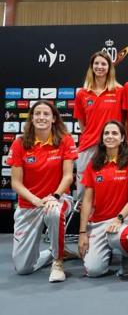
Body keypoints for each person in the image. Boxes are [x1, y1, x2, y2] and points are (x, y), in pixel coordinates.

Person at [7, 101, 77, 282]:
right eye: (37, 113)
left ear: (54, 118)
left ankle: (58, 261)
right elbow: (15, 183)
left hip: (59, 198)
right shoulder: (19, 143)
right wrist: (37, 200)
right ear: (31, 118)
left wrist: (54, 197)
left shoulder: (65, 140)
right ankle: (54, 251)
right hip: (29, 205)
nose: (41, 117)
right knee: (23, 268)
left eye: (46, 114)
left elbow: (68, 176)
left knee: (54, 211)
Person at [78, 120, 128, 278]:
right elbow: (87, 201)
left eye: (114, 133)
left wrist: (119, 218)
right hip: (99, 222)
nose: (110, 136)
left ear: (122, 138)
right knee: (94, 271)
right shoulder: (94, 164)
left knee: (118, 237)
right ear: (102, 138)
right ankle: (106, 248)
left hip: (127, 218)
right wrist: (82, 232)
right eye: (106, 133)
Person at [74, 51, 123, 197]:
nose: (99, 67)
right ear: (91, 67)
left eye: (103, 64)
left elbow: (125, 120)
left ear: (109, 67)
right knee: (84, 190)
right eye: (96, 63)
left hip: (112, 147)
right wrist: (92, 134)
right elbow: (82, 123)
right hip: (88, 146)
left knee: (110, 187)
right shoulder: (82, 94)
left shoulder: (119, 91)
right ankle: (85, 219)